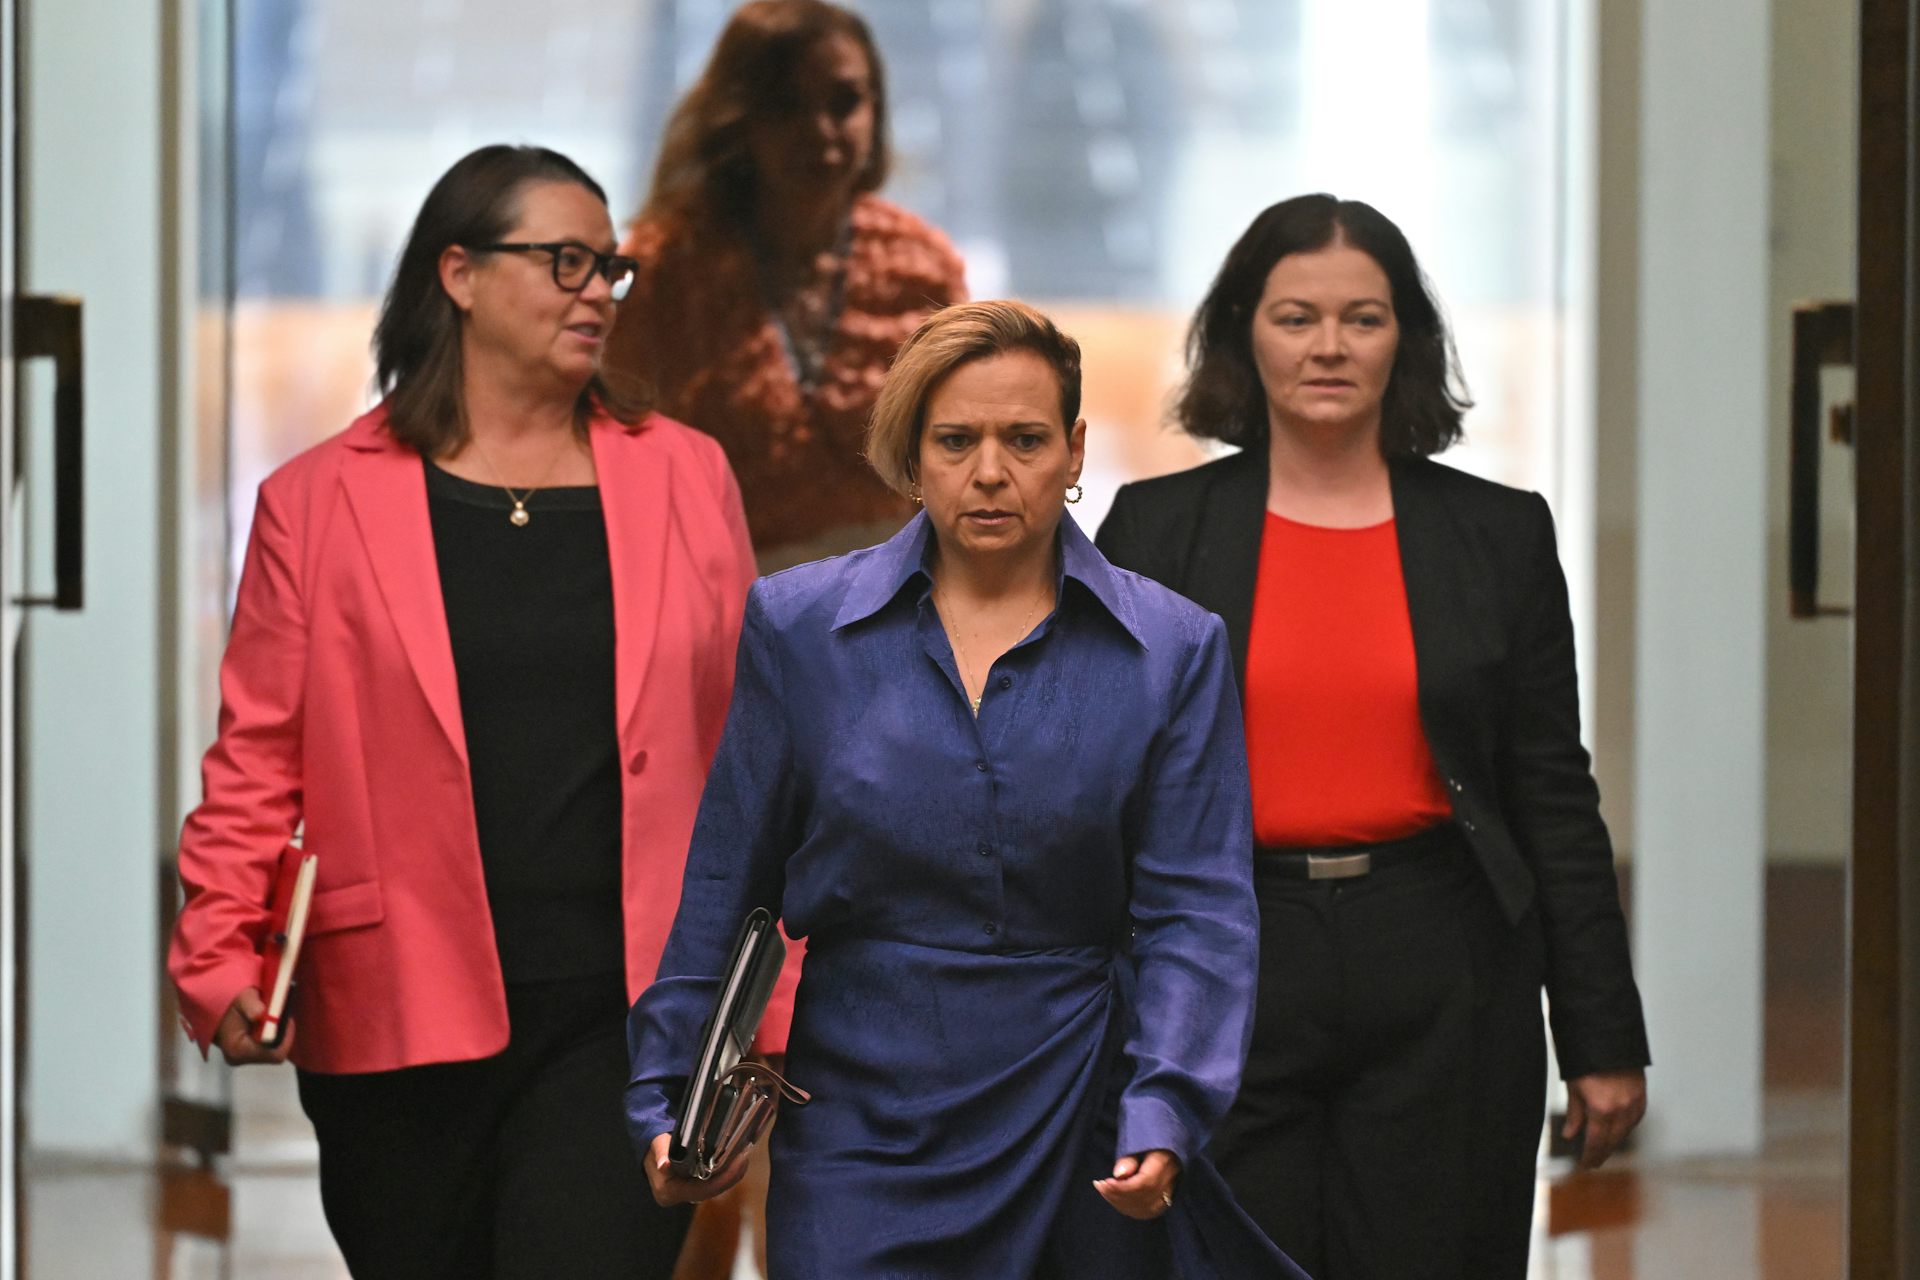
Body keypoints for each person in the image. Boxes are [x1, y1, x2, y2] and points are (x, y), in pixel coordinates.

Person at [167, 144, 761, 1280]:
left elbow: (758, 751)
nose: (599, 292)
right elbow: (257, 761)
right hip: (392, 1011)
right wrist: (218, 953)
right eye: (566, 261)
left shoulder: (689, 477)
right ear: (460, 273)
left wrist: (772, 989)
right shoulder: (316, 501)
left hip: (633, 1013)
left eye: (611, 270)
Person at [625, 301, 1307, 1279]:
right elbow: (726, 888)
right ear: (914, 455)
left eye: (1025, 439)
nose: (991, 470)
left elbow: (1198, 911)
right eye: (956, 439)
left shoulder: (1171, 648)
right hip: (859, 1112)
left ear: (1074, 452)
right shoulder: (799, 627)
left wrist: (1168, 1102)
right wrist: (669, 1092)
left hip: (1081, 1108)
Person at [1095, 194, 1651, 1279]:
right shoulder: (1155, 531)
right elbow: (1105, 788)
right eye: (1296, 316)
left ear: (1407, 340)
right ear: (1242, 332)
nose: (1330, 347)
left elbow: (1552, 796)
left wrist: (1603, 1037)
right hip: (1227, 949)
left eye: (1365, 317)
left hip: (1443, 960)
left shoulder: (1499, 535)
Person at [602, 0, 968, 572]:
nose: (821, 130)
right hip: (724, 598)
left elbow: (962, 458)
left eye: (844, 101)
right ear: (740, 115)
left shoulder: (922, 267)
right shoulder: (667, 271)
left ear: (876, 110)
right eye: (788, 106)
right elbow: (618, 472)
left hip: (899, 600)